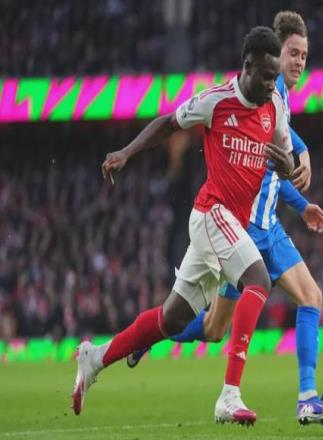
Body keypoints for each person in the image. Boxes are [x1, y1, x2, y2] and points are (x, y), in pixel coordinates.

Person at [71, 26, 295, 419]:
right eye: (265, 75)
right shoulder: (216, 101)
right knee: (259, 280)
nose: (271, 83)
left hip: (232, 226)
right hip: (211, 213)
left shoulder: (275, 106)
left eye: (274, 76)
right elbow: (168, 123)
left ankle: (95, 358)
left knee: (172, 319)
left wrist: (287, 166)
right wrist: (126, 153)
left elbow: (288, 161)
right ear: (247, 67)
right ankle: (229, 396)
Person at [127, 11, 323, 426]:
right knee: (214, 328)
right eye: (292, 53)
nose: (298, 62)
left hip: (269, 227)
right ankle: (155, 334)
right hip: (242, 227)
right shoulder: (268, 92)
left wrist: (300, 202)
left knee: (310, 297)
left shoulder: (279, 99)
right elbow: (274, 148)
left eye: (304, 55)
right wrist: (302, 154)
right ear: (275, 55)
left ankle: (307, 397)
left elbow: (275, 165)